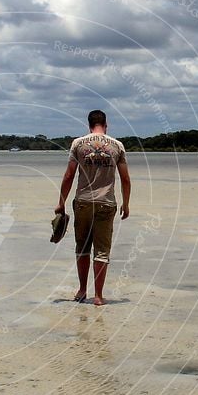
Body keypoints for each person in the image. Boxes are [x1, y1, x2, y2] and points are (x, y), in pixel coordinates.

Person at [55, 110, 131, 306]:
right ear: (106, 125)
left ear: (88, 125)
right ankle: (98, 296)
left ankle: (81, 290)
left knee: (82, 248)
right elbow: (125, 179)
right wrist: (126, 203)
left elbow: (69, 175)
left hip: (83, 202)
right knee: (102, 251)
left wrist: (61, 202)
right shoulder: (117, 146)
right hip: (107, 202)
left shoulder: (78, 144)